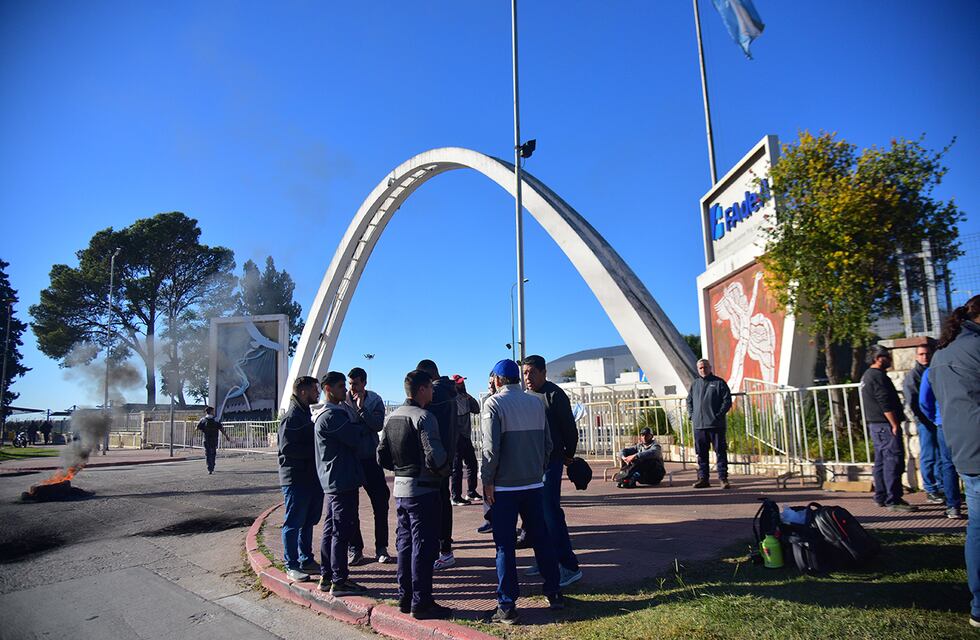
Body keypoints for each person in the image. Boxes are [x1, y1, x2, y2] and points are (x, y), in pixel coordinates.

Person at [482, 359, 563, 624]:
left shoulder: (493, 404)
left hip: (505, 487)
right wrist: (537, 468)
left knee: (504, 545)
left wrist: (487, 480)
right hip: (533, 484)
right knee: (541, 539)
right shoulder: (536, 403)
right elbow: (548, 443)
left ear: (497, 379)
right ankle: (554, 592)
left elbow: (491, 449)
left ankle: (507, 605)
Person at [377, 370, 452, 620]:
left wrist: (401, 469)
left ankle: (405, 597)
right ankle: (422, 601)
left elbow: (382, 455)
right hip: (424, 489)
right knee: (424, 545)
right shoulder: (424, 417)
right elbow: (434, 454)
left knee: (405, 544)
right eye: (430, 387)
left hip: (401, 488)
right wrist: (443, 472)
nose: (433, 391)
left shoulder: (392, 417)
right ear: (421, 389)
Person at [928, 294, 980, 628]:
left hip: (963, 449)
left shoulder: (940, 357)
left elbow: (932, 404)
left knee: (977, 527)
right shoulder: (975, 350)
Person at [521, 354, 583, 588]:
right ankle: (546, 560)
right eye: (525, 373)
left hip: (552, 461)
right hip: (533, 463)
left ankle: (569, 566)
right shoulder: (527, 397)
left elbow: (570, 428)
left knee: (550, 512)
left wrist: (568, 455)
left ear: (543, 372)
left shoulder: (554, 394)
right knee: (537, 515)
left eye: (531, 372)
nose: (527, 377)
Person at [314, 371, 367, 597]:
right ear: (328, 389)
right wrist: (357, 410)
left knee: (331, 528)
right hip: (341, 480)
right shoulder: (332, 416)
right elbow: (355, 437)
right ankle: (339, 580)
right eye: (339, 387)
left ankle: (327, 576)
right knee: (341, 531)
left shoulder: (324, 414)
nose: (344, 390)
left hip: (334, 479)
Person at [277, 376, 325, 582]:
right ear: (303, 392)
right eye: (315, 390)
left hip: (311, 477)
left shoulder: (306, 414)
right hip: (296, 478)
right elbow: (286, 449)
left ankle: (306, 559)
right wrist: (315, 450)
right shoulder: (292, 417)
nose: (318, 394)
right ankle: (292, 565)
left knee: (307, 521)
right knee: (294, 522)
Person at [345, 367, 391, 566]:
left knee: (380, 503)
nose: (352, 387)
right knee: (350, 506)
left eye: (355, 383)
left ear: (364, 382)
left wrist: (362, 409)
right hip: (351, 461)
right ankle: (355, 548)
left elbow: (377, 425)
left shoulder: (375, 400)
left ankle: (382, 547)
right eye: (350, 383)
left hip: (371, 459)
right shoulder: (341, 401)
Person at [861, 345, 916, 512]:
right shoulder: (877, 376)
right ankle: (893, 499)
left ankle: (881, 495)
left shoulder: (867, 376)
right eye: (886, 356)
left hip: (876, 426)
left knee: (881, 462)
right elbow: (884, 402)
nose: (890, 360)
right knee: (893, 461)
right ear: (878, 358)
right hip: (885, 425)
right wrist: (893, 424)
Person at [416, 359, 458, 571]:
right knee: (442, 503)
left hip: (436, 458)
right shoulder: (449, 392)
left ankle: (444, 549)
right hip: (445, 455)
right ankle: (444, 548)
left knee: (438, 506)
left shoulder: (437, 395)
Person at [918, 367, 963, 519]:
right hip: (968, 418)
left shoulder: (932, 370)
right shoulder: (966, 361)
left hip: (944, 422)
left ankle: (953, 506)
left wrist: (934, 417)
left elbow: (924, 400)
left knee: (948, 463)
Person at [903, 342, 943, 503]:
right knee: (929, 455)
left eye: (927, 353)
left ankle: (941, 487)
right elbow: (913, 402)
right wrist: (926, 419)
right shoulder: (914, 376)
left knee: (941, 455)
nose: (924, 357)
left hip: (937, 420)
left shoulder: (934, 370)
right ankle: (930, 489)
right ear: (916, 356)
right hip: (926, 422)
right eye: (921, 354)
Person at [686, 359, 732, 489]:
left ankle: (723, 479)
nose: (703, 370)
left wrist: (718, 415)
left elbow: (727, 400)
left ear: (710, 367)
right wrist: (692, 415)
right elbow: (689, 401)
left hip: (716, 425)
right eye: (700, 368)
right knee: (701, 454)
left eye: (705, 367)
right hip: (699, 426)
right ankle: (703, 479)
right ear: (698, 369)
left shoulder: (719, 383)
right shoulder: (695, 384)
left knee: (720, 452)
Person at [450, 375, 482, 506]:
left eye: (462, 383)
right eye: (459, 383)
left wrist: (470, 398)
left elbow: (476, 410)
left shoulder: (465, 397)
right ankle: (455, 496)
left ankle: (471, 491)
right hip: (457, 437)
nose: (462, 385)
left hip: (466, 436)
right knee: (456, 467)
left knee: (472, 464)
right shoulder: (452, 398)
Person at [196, 406, 230, 474]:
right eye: (213, 411)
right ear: (211, 412)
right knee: (213, 453)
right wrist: (226, 436)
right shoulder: (216, 420)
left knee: (207, 453)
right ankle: (212, 465)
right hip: (214, 439)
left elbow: (197, 428)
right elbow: (221, 429)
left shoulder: (203, 420)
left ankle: (210, 468)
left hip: (206, 439)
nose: (214, 412)